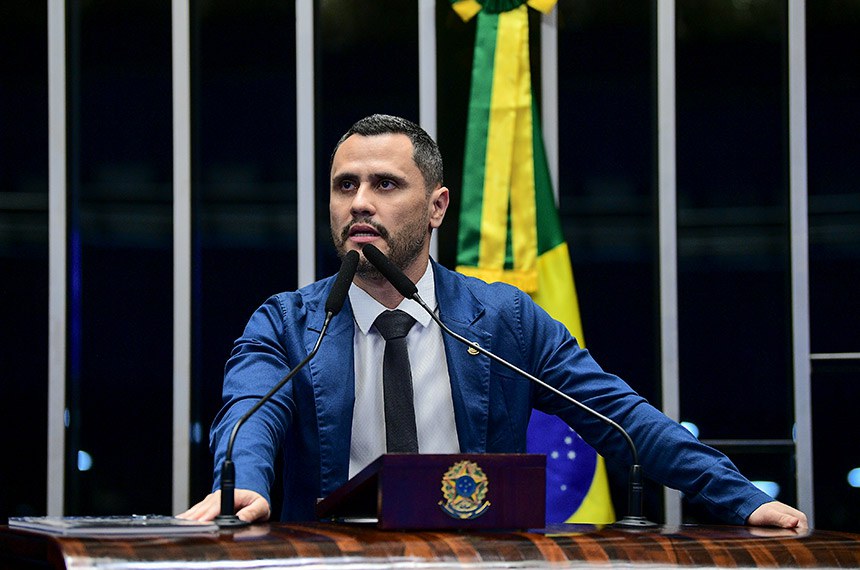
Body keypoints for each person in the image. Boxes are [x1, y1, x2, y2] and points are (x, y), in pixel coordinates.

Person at [179, 114, 807, 529]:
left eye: (385, 184)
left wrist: (743, 500)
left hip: (476, 562)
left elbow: (623, 419)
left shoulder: (502, 320)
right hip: (333, 564)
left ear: (436, 206)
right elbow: (248, 415)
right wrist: (247, 486)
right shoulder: (289, 324)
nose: (360, 202)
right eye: (345, 185)